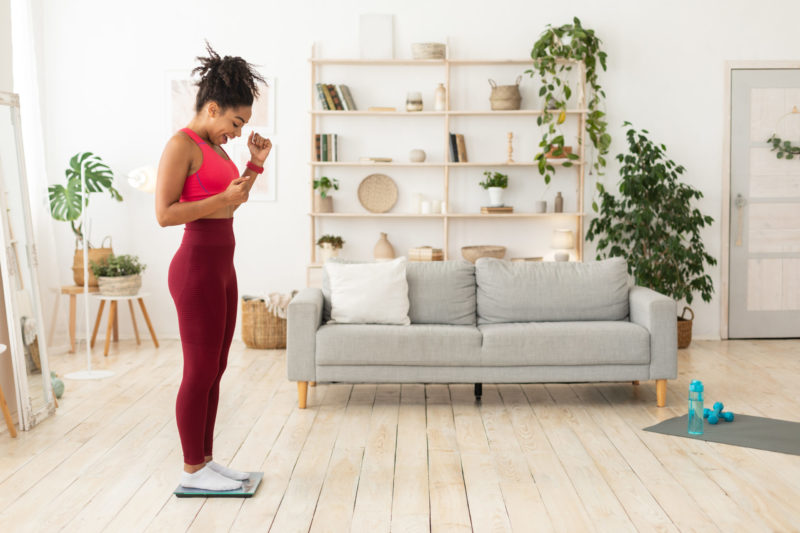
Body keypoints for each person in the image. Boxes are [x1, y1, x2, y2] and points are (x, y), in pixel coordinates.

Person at [155, 43, 272, 491]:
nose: (238, 133)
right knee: (199, 370)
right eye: (236, 123)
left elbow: (228, 205)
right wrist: (222, 198)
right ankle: (192, 469)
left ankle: (205, 461)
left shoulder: (216, 150)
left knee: (217, 367)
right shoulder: (180, 145)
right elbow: (165, 214)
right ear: (212, 108)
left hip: (222, 268)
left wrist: (254, 166)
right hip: (196, 270)